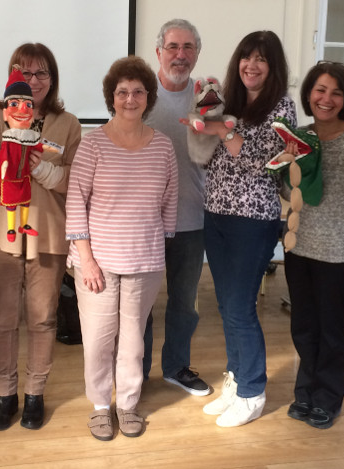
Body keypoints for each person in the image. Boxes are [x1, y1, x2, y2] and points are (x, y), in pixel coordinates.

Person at [65, 56, 178, 441]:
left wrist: (155, 248)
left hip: (143, 262)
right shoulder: (93, 143)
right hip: (95, 262)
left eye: (138, 92)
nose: (130, 99)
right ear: (111, 97)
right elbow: (75, 202)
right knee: (98, 339)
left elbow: (169, 203)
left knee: (132, 342)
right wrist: (86, 259)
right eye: (122, 92)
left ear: (149, 97)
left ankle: (128, 404)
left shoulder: (163, 147)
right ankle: (100, 407)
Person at [188, 31, 297, 427]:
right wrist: (207, 121)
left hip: (254, 219)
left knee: (239, 308)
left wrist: (223, 131)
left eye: (261, 60)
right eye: (246, 57)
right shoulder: (229, 101)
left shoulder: (282, 106)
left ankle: (252, 391)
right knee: (226, 306)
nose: (251, 65)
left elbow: (261, 163)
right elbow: (205, 155)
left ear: (273, 67)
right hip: (215, 212)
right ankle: (235, 380)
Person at [0, 43, 81, 431]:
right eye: (24, 73)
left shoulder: (68, 123)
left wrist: (44, 171)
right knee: (2, 319)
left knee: (42, 319)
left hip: (49, 234)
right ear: (12, 77)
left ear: (52, 79)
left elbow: (76, 180)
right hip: (0, 234)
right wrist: (13, 159)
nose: (33, 81)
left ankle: (35, 394)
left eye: (42, 74)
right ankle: (6, 395)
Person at [282, 62, 344, 430]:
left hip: (340, 255)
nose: (327, 99)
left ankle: (327, 398)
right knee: (303, 327)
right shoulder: (299, 137)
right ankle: (304, 392)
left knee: (331, 330)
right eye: (321, 90)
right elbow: (287, 186)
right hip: (299, 248)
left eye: (336, 93)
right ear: (309, 94)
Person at [141, 18, 211, 396]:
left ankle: (176, 367)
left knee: (184, 301)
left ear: (196, 54)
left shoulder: (207, 98)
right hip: (144, 224)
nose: (180, 55)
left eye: (188, 48)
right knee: (142, 305)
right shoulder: (139, 94)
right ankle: (136, 370)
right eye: (173, 47)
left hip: (191, 218)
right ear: (159, 52)